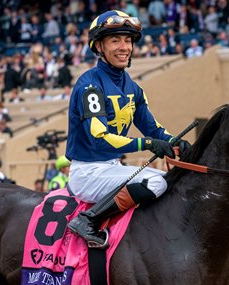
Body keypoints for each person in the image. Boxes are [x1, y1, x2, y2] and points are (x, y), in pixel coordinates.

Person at [65, 10, 191, 248]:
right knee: (156, 183)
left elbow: (153, 130)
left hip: (111, 168)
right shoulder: (89, 85)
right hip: (88, 173)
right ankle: (88, 220)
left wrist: (176, 141)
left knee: (169, 179)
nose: (124, 47)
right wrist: (148, 145)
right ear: (99, 46)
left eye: (128, 40)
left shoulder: (133, 88)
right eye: (115, 40)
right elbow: (99, 139)